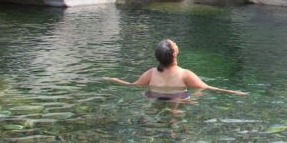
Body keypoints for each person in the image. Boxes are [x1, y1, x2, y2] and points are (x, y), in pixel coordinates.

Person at [104, 39, 248, 101]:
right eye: (175, 44)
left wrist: (115, 80)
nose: (176, 44)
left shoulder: (151, 73)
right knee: (181, 105)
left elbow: (133, 86)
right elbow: (207, 88)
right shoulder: (185, 74)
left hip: (155, 99)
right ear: (174, 54)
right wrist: (235, 92)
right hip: (179, 100)